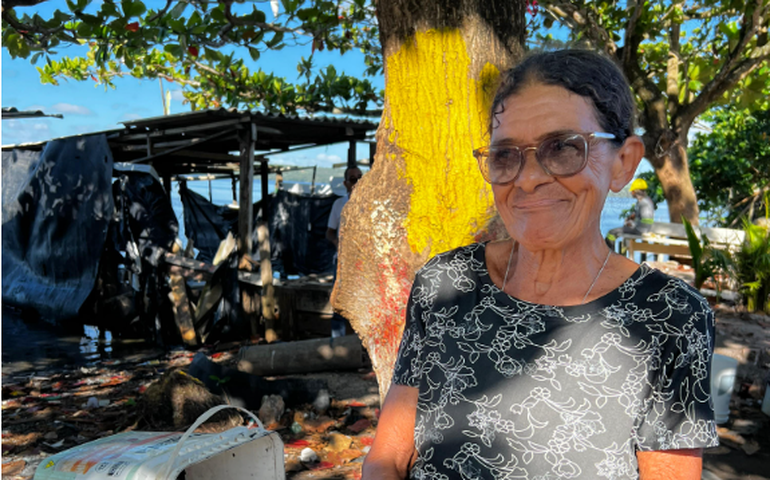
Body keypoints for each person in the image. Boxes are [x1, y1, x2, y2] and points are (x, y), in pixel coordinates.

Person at [363, 50, 717, 480]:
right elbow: (388, 456)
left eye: (564, 148)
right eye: (506, 155)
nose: (528, 178)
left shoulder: (671, 315)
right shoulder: (445, 284)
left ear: (623, 162)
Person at [326, 166, 363, 338]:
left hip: (363, 263)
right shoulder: (339, 204)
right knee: (339, 303)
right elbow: (330, 232)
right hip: (341, 261)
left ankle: (363, 345)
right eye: (353, 179)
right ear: (346, 183)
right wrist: (338, 245)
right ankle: (338, 345)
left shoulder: (369, 204)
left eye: (360, 177)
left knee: (363, 303)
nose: (357, 182)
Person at [606, 178, 656, 251]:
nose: (631, 193)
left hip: (639, 230)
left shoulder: (642, 203)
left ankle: (610, 255)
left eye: (632, 191)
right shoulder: (648, 201)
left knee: (611, 233)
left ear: (635, 192)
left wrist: (631, 224)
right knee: (619, 230)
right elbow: (641, 218)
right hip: (645, 229)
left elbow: (642, 221)